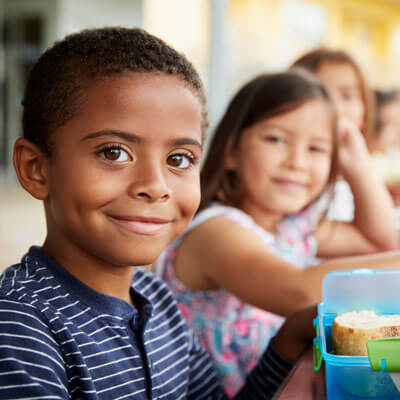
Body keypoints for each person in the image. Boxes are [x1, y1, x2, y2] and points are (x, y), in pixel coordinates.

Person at [0, 26, 318, 399]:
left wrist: (290, 336)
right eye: (114, 152)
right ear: (36, 169)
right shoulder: (18, 327)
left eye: (178, 159)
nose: (156, 185)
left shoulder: (158, 299)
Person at [156, 70, 400, 396]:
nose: (296, 162)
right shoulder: (215, 231)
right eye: (276, 140)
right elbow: (298, 294)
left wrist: (356, 161)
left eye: (316, 149)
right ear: (230, 151)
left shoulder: (295, 225)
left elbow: (380, 240)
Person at [291, 48, 375, 222]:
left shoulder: (365, 182)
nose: (335, 108)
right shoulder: (294, 176)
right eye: (322, 93)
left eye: (347, 96)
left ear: (365, 112)